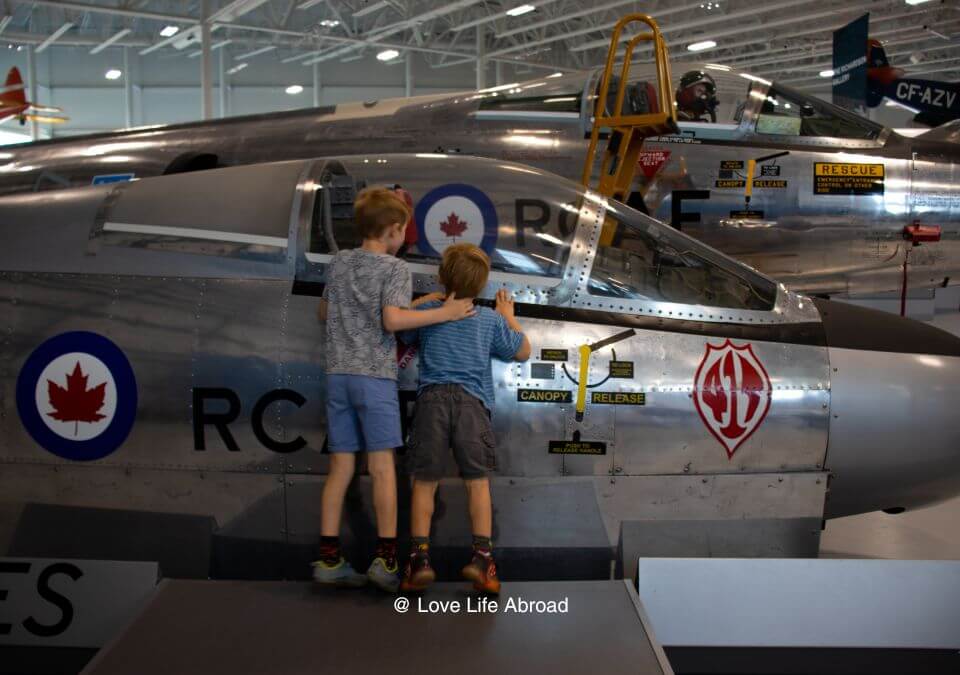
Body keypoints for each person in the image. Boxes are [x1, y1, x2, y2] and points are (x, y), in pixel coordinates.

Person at [313, 187, 475, 592]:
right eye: (404, 230)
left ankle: (328, 559)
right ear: (393, 230)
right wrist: (446, 311)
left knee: (341, 467)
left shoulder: (340, 262)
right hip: (374, 378)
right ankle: (386, 560)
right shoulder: (395, 269)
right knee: (382, 467)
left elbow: (324, 312)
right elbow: (391, 322)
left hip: (337, 376)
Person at [398, 243, 531, 594]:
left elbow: (403, 330)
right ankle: (482, 561)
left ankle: (418, 561)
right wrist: (508, 314)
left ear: (443, 278)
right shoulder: (488, 320)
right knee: (477, 483)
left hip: (432, 402)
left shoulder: (431, 316)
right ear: (483, 285)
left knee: (425, 482)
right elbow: (522, 350)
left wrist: (420, 304)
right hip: (473, 405)